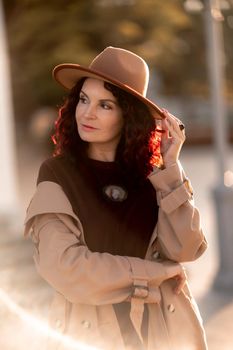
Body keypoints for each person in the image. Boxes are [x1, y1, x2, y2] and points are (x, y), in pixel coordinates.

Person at [24, 46, 208, 350]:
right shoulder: (57, 173)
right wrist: (153, 275)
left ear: (128, 116)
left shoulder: (154, 176)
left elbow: (185, 248)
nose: (87, 112)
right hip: (88, 336)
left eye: (105, 105)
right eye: (83, 99)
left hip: (161, 332)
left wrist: (171, 166)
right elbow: (64, 268)